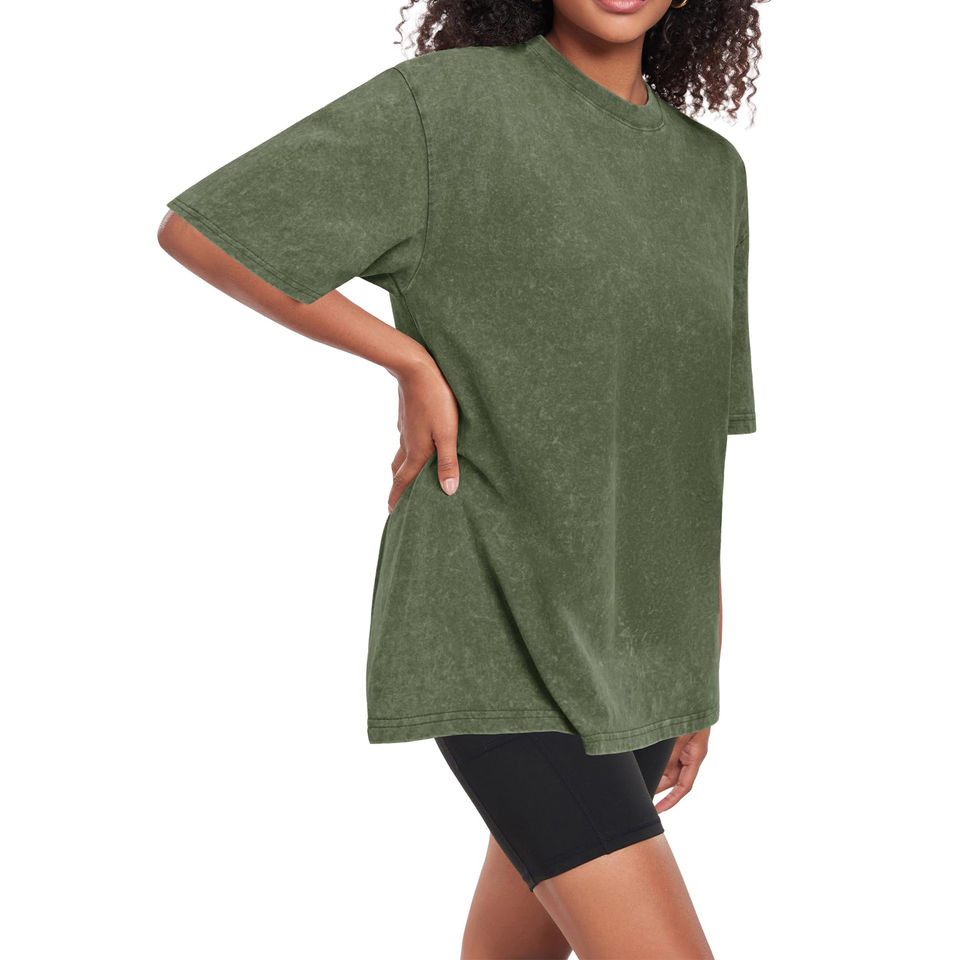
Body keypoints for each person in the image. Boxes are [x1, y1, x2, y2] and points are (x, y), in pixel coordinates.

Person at [158, 0, 764, 954]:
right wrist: (408, 359)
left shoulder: (712, 174)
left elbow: (687, 442)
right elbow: (207, 230)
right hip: (493, 617)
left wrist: (697, 671)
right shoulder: (451, 108)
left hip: (641, 647)